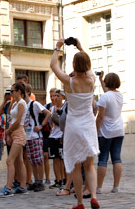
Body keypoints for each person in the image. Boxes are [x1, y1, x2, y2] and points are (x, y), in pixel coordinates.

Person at [50, 38, 100, 209]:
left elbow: (53, 66)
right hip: (88, 124)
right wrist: (80, 47)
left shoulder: (68, 81)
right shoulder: (92, 80)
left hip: (73, 125)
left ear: (73, 64)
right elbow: (88, 67)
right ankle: (93, 196)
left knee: (76, 167)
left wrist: (57, 47)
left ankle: (80, 202)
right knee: (90, 165)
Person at [0, 82, 28, 197]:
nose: (11, 93)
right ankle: (23, 186)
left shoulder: (22, 103)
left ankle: (8, 187)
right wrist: (10, 100)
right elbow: (9, 115)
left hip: (19, 133)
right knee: (19, 161)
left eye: (12, 91)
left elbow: (18, 121)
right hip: (14, 133)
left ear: (19, 91)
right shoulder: (15, 103)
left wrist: (8, 131)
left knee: (9, 160)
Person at [96, 72, 124, 194]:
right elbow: (108, 92)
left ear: (107, 82)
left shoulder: (104, 96)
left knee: (102, 160)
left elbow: (100, 117)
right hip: (119, 130)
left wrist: (95, 130)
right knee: (116, 159)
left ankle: (98, 187)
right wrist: (101, 79)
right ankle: (116, 186)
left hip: (106, 131)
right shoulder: (120, 95)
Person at [24, 84, 51, 192]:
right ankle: (36, 181)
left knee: (39, 160)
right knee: (32, 161)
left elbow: (48, 113)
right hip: (28, 136)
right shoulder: (22, 105)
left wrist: (41, 125)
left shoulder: (34, 104)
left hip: (35, 136)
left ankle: (40, 182)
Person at [48, 89, 66, 189]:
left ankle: (65, 179)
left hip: (62, 135)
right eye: (54, 96)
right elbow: (51, 124)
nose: (55, 98)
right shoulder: (52, 109)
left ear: (62, 97)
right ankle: (58, 179)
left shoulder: (65, 107)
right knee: (55, 159)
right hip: (53, 136)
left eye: (58, 96)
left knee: (63, 159)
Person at [43, 87, 56, 186]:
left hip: (57, 133)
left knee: (59, 158)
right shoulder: (46, 106)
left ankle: (61, 178)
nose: (53, 98)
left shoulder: (64, 106)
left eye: (55, 96)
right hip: (47, 133)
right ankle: (47, 178)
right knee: (45, 155)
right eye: (51, 96)